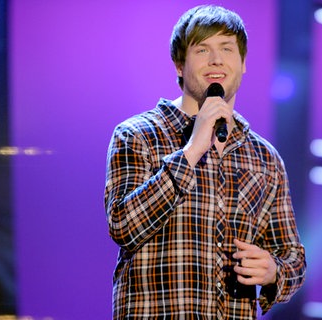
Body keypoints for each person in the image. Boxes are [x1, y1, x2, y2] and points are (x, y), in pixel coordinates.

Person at [104, 5, 306, 319]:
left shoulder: (265, 158)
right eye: (202, 49)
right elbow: (123, 225)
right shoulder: (137, 135)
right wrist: (193, 149)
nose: (216, 60)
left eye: (227, 48)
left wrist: (272, 271)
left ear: (243, 63)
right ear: (179, 65)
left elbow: (293, 258)